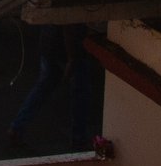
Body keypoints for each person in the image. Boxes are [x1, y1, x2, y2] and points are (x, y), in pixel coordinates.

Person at [6, 21, 98, 152]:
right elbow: (68, 23)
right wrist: (71, 58)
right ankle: (79, 139)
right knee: (81, 93)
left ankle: (17, 127)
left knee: (44, 86)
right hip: (68, 47)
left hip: (49, 43)